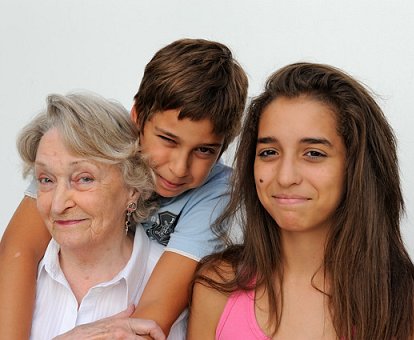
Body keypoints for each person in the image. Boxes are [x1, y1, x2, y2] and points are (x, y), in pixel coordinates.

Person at [0, 38, 248, 339]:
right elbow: (19, 250)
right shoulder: (95, 145)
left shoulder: (215, 191)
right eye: (168, 140)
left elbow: (148, 320)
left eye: (205, 151)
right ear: (137, 118)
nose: (179, 168)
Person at [188, 62, 414, 339]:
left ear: (357, 167)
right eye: (268, 152)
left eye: (313, 153)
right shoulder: (217, 285)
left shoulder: (413, 304)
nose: (285, 177)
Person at [18, 92, 179, 339]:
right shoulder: (12, 276)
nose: (58, 204)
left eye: (84, 178)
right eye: (46, 180)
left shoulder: (181, 291)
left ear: (132, 188)